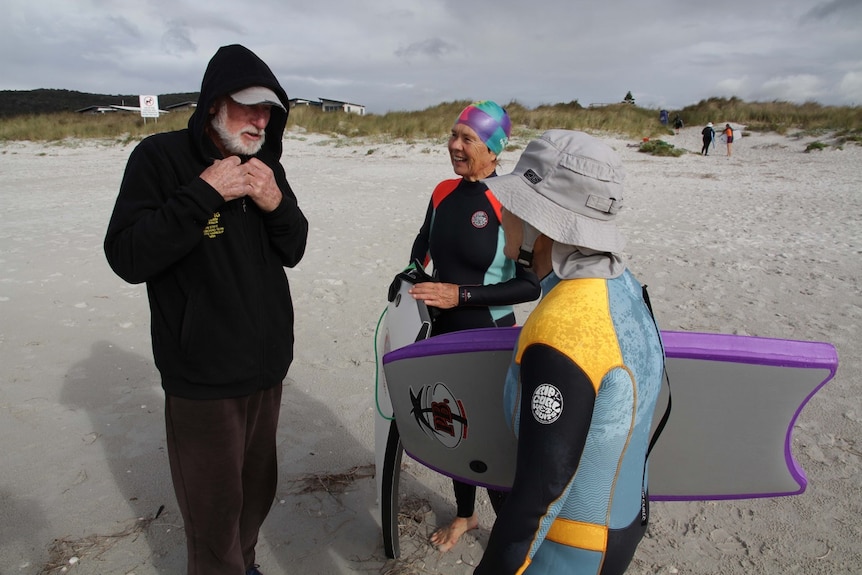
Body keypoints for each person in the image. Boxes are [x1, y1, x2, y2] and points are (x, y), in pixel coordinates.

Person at [104, 44, 308, 575]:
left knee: (254, 494)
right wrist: (202, 194)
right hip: (202, 374)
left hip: (266, 369)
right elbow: (127, 256)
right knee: (213, 510)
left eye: (268, 109)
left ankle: (246, 564)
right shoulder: (159, 158)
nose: (260, 119)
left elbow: (295, 247)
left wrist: (276, 204)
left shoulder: (268, 167)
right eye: (248, 107)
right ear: (215, 103)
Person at [474, 130, 665, 574]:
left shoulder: (565, 329)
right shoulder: (623, 285)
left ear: (544, 223)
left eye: (514, 206)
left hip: (569, 548)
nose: (503, 216)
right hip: (621, 517)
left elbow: (539, 494)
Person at [406, 100, 541, 551]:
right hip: (443, 333)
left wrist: (458, 294)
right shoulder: (443, 191)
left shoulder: (512, 202)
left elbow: (528, 287)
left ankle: (510, 536)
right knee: (451, 425)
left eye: (467, 139)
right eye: (453, 135)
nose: (454, 145)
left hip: (491, 335)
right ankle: (465, 515)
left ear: (493, 150)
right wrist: (411, 272)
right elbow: (423, 241)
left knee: (496, 436)